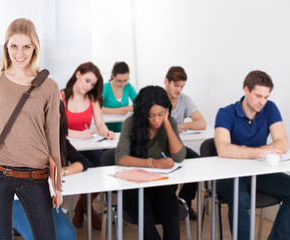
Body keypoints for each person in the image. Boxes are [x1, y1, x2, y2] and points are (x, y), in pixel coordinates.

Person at [0, 18, 62, 239]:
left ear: (35, 48)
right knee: (1, 236)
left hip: (36, 175)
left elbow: (53, 136)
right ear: (6, 46)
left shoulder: (49, 86)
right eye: (14, 46)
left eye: (26, 47)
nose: (20, 53)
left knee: (47, 235)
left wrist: (57, 185)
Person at [214, 70, 290, 240]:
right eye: (258, 96)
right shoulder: (225, 113)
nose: (262, 102)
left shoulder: (270, 108)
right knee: (241, 198)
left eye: (266, 97)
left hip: (256, 170)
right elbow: (224, 149)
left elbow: (283, 142)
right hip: (226, 173)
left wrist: (250, 150)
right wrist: (262, 151)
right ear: (246, 90)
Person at [115, 85, 186, 240]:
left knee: (172, 219)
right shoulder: (131, 123)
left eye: (161, 114)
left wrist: (167, 124)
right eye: (151, 115)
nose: (156, 120)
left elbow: (179, 155)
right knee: (148, 227)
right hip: (133, 185)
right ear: (143, 113)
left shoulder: (169, 122)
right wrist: (153, 163)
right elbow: (120, 158)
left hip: (159, 183)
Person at [13, 101, 88, 240]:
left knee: (68, 236)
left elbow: (83, 162)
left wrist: (62, 171)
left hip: (45, 199)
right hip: (17, 199)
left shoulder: (58, 139)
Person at [61, 61, 115, 229]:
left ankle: (80, 209)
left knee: (102, 165)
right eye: (87, 81)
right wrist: (78, 134)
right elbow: (54, 128)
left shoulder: (92, 98)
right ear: (78, 74)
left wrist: (105, 131)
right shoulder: (60, 96)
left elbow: (99, 124)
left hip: (86, 144)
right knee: (88, 167)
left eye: (92, 84)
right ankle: (90, 213)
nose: (89, 86)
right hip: (65, 145)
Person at [164, 66, 206, 219]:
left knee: (196, 162)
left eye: (182, 86)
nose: (179, 90)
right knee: (172, 165)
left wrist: (183, 126)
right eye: (176, 85)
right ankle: (169, 203)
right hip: (159, 148)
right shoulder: (157, 98)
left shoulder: (185, 99)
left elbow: (201, 123)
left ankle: (185, 201)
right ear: (166, 82)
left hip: (177, 147)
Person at [102, 61, 137, 132]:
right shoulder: (105, 88)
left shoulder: (128, 87)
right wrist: (117, 111)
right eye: (119, 81)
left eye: (125, 80)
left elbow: (141, 104)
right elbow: (96, 108)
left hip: (125, 128)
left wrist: (127, 109)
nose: (123, 84)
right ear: (112, 76)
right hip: (106, 129)